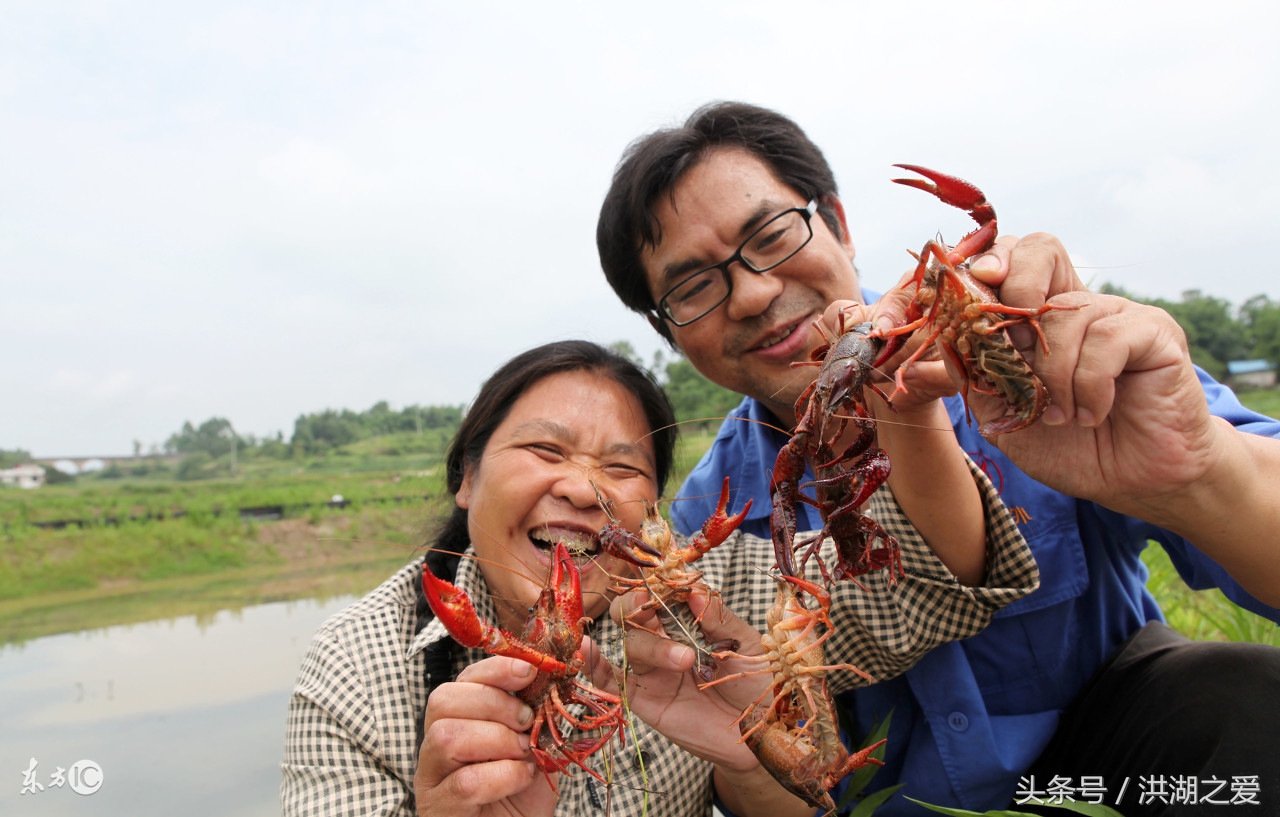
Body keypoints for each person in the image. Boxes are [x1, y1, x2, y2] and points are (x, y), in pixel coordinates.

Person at [597, 101, 1280, 816]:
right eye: (693, 286)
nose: (755, 292)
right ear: (665, 330)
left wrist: (1200, 473)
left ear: (839, 225)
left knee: (1246, 694)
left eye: (771, 234)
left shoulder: (1033, 353)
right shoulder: (710, 518)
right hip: (890, 802)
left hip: (1116, 751)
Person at [280, 340, 1039, 817]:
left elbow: (935, 585)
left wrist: (754, 759)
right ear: (467, 479)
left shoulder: (709, 593)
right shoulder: (358, 665)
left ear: (653, 506)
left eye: (621, 466)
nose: (583, 487)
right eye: (545, 450)